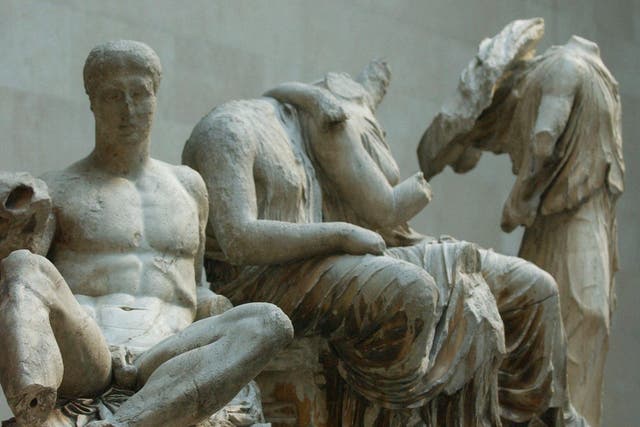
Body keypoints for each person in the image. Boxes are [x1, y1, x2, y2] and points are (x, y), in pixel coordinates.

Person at [183, 60, 586, 426]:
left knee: (534, 288)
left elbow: (379, 214)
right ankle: (401, 413)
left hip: (328, 263)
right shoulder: (228, 130)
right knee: (412, 292)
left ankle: (553, 416)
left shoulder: (311, 133)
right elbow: (239, 239)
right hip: (265, 282)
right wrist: (340, 233)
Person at [0, 40, 293, 427]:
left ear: (155, 95)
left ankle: (125, 424)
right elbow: (33, 293)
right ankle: (33, 408)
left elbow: (195, 285)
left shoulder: (190, 187)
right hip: (92, 354)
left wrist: (214, 307)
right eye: (113, 95)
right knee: (22, 266)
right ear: (92, 102)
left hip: (168, 351)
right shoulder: (59, 188)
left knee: (270, 321)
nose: (129, 109)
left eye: (140, 93)